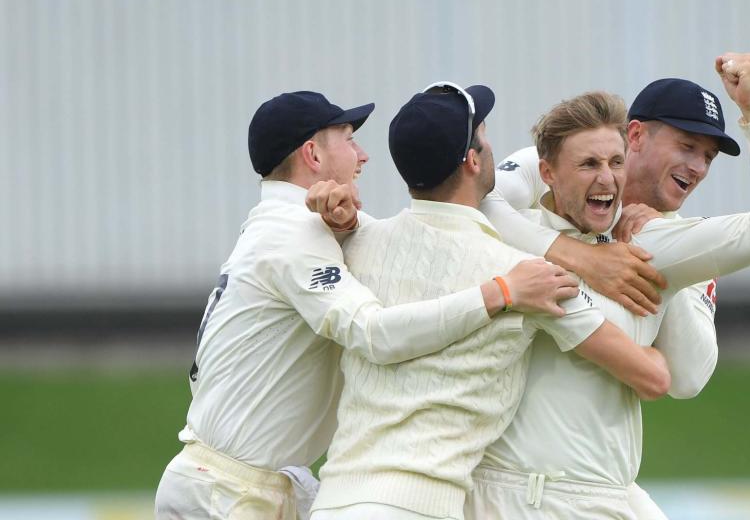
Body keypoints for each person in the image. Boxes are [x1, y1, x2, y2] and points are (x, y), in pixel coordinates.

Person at [154, 90, 584, 519]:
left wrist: (348, 224)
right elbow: (374, 334)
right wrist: (500, 293)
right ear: (313, 155)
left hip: (238, 483)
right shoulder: (294, 237)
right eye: (347, 139)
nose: (362, 156)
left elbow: (413, 242)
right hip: (225, 495)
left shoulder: (285, 227)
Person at [309, 82, 675, 520]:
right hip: (423, 507)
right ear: (473, 159)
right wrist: (659, 344)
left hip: (335, 500)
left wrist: (337, 218)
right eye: (483, 135)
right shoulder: (524, 276)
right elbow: (652, 379)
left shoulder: (356, 241)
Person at [467, 53, 750, 518]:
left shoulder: (667, 243)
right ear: (637, 135)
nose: (699, 167)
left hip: (599, 488)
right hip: (527, 491)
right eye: (687, 146)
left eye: (707, 156)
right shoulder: (552, 172)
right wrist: (581, 255)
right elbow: (478, 203)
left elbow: (686, 378)